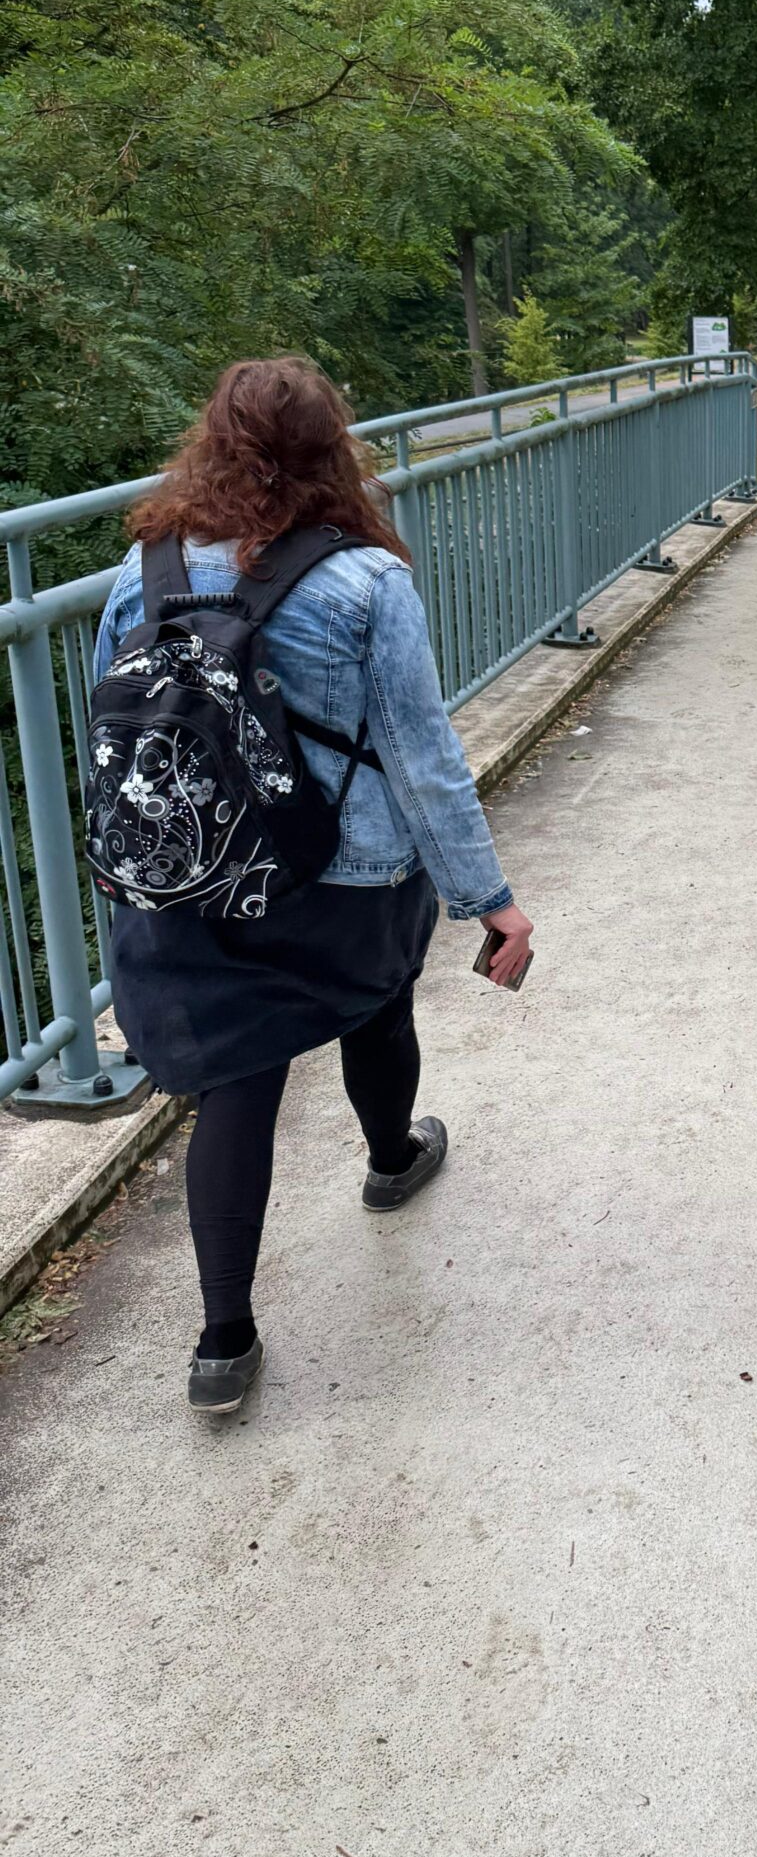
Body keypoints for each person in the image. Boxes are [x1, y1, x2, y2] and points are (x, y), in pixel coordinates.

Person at [91, 358, 534, 1416]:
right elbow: (421, 758)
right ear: (334, 450)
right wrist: (489, 899)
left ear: (211, 446)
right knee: (376, 1003)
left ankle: (223, 1345)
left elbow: (111, 726)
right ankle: (390, 1158)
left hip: (191, 872)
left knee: (237, 1081)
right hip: (339, 872)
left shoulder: (140, 569)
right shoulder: (366, 580)